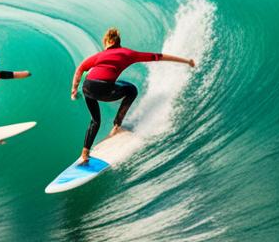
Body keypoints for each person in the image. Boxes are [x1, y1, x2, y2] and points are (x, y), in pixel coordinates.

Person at [70, 27, 194, 164]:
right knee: (131, 90)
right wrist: (186, 61)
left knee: (95, 121)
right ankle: (117, 126)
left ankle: (85, 153)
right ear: (118, 42)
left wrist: (74, 90)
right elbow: (158, 57)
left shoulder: (100, 55)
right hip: (105, 88)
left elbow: (81, 68)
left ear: (107, 42)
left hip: (87, 87)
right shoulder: (128, 53)